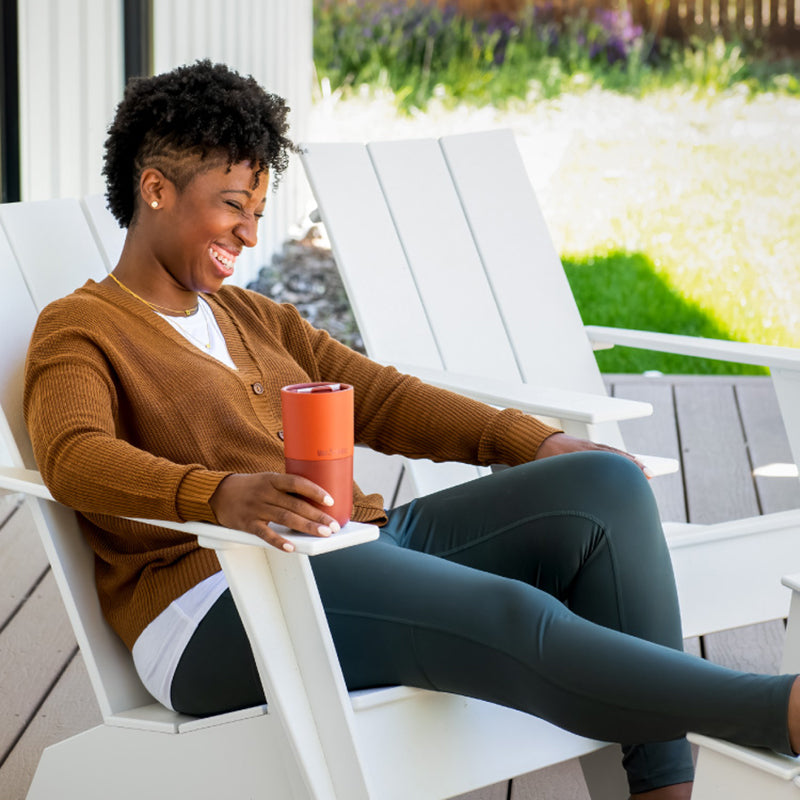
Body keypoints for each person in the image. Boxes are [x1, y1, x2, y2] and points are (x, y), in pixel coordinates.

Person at [23, 60, 800, 800]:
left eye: (259, 212)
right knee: (513, 615)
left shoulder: (249, 315)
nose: (250, 234)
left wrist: (530, 441)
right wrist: (218, 495)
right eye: (232, 204)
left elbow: (381, 396)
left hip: (353, 547)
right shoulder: (82, 327)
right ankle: (779, 712)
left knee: (605, 485)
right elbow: (72, 457)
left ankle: (665, 787)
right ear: (155, 187)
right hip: (218, 608)